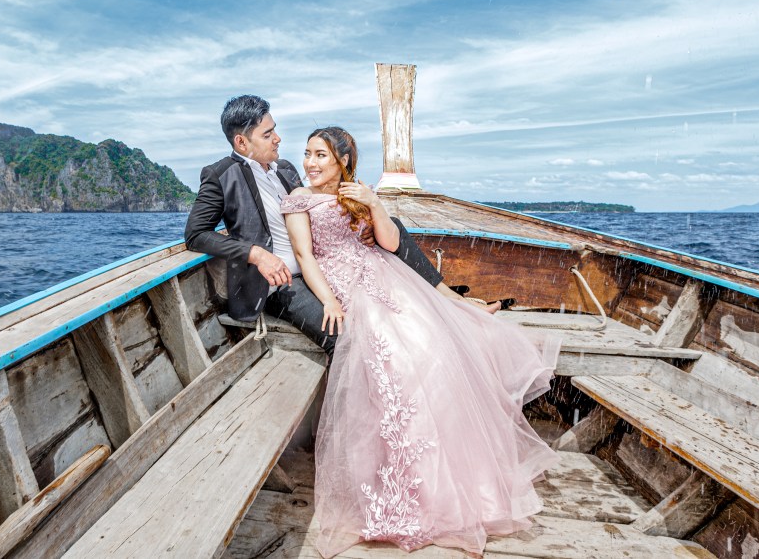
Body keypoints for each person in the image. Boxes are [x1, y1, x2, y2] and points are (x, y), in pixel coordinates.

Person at [281, 126, 561, 557]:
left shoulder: (360, 193)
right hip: (343, 283)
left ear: (342, 161)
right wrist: (329, 300)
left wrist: (374, 204)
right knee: (391, 361)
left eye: (320, 156)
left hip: (382, 275)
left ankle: (449, 486)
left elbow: (390, 243)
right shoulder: (298, 198)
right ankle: (390, 487)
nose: (311, 163)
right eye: (307, 154)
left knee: (433, 347)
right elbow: (304, 256)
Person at [184, 95, 492, 359]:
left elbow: (320, 205)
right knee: (347, 338)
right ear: (242, 142)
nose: (278, 138)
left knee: (394, 251)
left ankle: (449, 300)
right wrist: (254, 253)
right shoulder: (219, 175)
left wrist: (361, 226)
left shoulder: (286, 169)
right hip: (283, 283)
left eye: (275, 130)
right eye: (267, 134)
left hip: (323, 267)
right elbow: (196, 235)